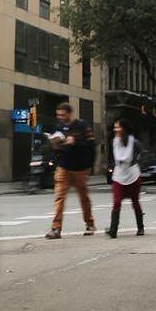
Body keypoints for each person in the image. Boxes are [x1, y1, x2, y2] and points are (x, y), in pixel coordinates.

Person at [45, 102, 96, 239]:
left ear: (69, 113)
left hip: (80, 168)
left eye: (62, 114)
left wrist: (76, 143)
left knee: (83, 198)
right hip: (63, 167)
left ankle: (90, 224)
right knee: (59, 197)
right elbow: (57, 147)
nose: (60, 117)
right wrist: (56, 146)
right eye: (58, 115)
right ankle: (56, 228)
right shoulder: (59, 128)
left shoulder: (82, 126)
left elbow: (91, 144)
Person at [106, 119, 144, 238]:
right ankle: (113, 230)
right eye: (114, 127)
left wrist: (136, 163)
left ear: (124, 129)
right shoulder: (114, 142)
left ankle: (140, 227)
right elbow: (113, 158)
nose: (115, 130)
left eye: (117, 127)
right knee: (117, 202)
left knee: (135, 202)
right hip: (119, 175)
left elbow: (141, 154)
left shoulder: (134, 142)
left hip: (133, 174)